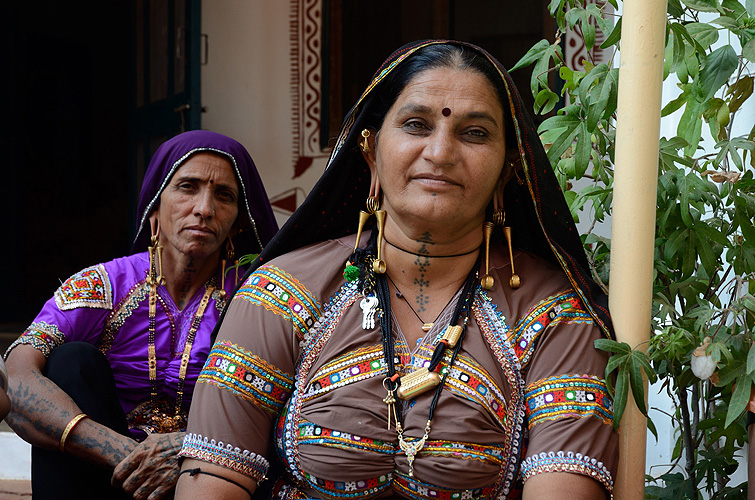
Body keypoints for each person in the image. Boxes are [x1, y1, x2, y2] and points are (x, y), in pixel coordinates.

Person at [175, 41, 618, 500]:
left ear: (508, 168)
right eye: (416, 125)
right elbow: (213, 480)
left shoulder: (554, 314)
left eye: (475, 133)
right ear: (369, 151)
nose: (441, 152)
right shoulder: (281, 292)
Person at [3, 130, 279, 500]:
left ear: (238, 222)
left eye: (224, 196)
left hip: (212, 479)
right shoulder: (103, 285)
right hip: (108, 475)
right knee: (70, 361)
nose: (204, 208)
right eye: (187, 187)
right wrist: (127, 454)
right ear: (154, 206)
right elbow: (17, 381)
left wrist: (186, 454)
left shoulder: (258, 297)